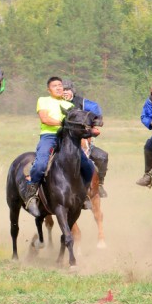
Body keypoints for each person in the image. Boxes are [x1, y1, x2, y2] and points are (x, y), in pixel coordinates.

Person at [23, 77, 94, 217]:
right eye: (55, 86)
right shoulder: (43, 100)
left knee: (88, 166)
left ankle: (84, 194)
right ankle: (30, 194)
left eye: (60, 85)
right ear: (48, 89)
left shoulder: (69, 106)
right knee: (41, 164)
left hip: (67, 138)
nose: (58, 88)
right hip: (49, 137)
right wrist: (64, 124)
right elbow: (45, 119)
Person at [62, 79, 109, 198]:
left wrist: (97, 119)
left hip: (82, 140)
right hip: (62, 141)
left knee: (102, 157)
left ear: (72, 91)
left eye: (67, 89)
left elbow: (95, 108)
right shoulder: (56, 102)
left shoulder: (81, 102)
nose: (65, 92)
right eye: (62, 90)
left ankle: (99, 184)